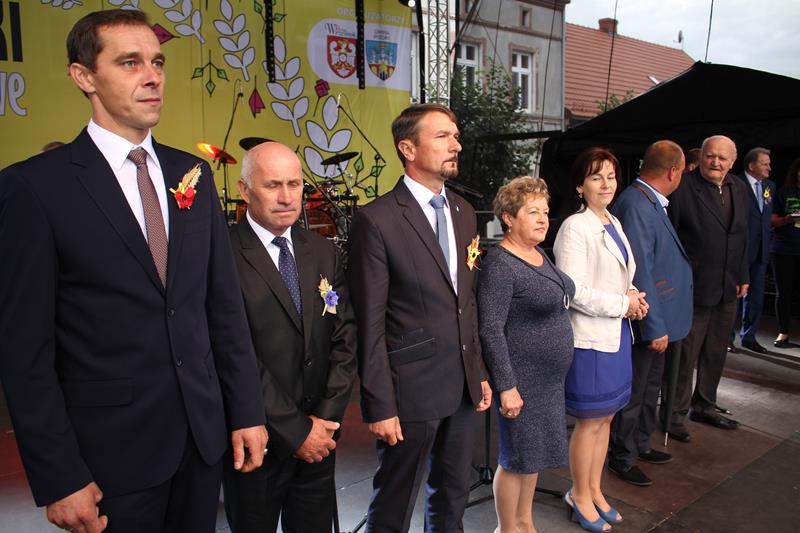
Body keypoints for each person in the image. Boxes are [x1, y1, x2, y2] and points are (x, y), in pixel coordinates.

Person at [0, 10, 267, 533]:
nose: (152, 77)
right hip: (108, 456)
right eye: (129, 63)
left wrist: (246, 411)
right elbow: (24, 350)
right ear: (84, 76)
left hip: (202, 443)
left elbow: (223, 310)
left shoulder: (193, 174)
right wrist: (58, 476)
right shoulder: (34, 188)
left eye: (157, 62)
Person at [347, 103, 492, 533]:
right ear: (408, 148)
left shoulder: (464, 212)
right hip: (409, 390)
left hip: (461, 386)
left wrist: (479, 372)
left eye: (456, 135)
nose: (456, 145)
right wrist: (379, 402)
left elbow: (467, 301)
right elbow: (369, 322)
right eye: (442, 136)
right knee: (394, 502)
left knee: (452, 496)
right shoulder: (376, 220)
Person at [223, 142, 357, 532]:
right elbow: (230, 350)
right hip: (257, 440)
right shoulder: (223, 254)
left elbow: (345, 337)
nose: (286, 197)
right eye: (272, 185)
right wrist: (298, 431)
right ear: (245, 190)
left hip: (320, 440)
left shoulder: (322, 250)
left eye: (294, 184)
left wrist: (325, 421)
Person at [554, 147, 646, 532]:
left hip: (616, 335)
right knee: (590, 421)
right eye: (596, 177)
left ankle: (594, 490)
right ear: (580, 186)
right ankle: (578, 494)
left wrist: (634, 296)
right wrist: (623, 304)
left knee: (606, 418)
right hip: (589, 340)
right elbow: (574, 291)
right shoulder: (575, 227)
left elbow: (620, 276)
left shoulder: (613, 221)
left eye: (610, 176)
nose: (606, 183)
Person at [478, 176, 576, 533]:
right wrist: (507, 386)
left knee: (532, 457)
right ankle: (507, 528)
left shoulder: (537, 253)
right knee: (516, 459)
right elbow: (490, 329)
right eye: (533, 212)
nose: (543, 219)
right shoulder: (500, 264)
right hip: (522, 381)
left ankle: (525, 523)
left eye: (545, 212)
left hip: (548, 382)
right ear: (508, 217)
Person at [608, 141, 693, 487]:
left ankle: (641, 444)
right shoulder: (636, 204)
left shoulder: (649, 201)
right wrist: (654, 326)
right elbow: (641, 269)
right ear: (673, 171)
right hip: (646, 320)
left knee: (650, 386)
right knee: (635, 390)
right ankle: (622, 457)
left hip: (659, 319)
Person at [663, 135, 749, 440]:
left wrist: (743, 274)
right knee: (685, 357)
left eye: (722, 158)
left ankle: (705, 405)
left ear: (732, 162)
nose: (715, 162)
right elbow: (669, 238)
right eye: (711, 155)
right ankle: (673, 414)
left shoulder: (739, 187)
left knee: (715, 352)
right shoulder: (683, 188)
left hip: (728, 287)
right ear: (702, 157)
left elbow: (742, 234)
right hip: (692, 289)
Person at [734, 147, 775, 353]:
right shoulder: (736, 184)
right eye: (764, 163)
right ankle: (726, 338)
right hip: (740, 251)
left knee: (756, 297)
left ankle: (749, 336)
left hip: (761, 250)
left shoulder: (769, 186)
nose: (769, 167)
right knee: (734, 296)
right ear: (751, 166)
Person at [771, 158, 800, 348]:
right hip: (784, 249)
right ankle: (783, 332)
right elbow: (772, 220)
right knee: (784, 292)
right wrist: (788, 219)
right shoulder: (783, 192)